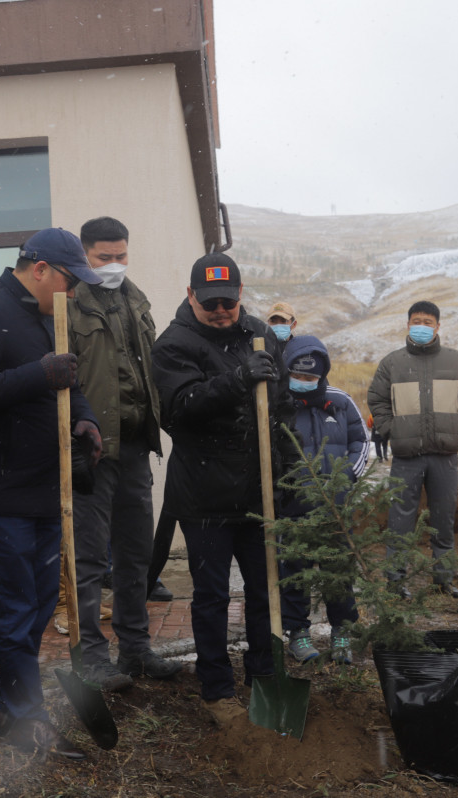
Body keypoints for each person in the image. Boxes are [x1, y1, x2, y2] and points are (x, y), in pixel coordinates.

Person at [0, 227, 103, 761]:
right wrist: (37, 374)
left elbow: (67, 382)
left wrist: (83, 418)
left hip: (40, 490)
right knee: (13, 608)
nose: (74, 292)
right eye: (69, 281)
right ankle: (28, 719)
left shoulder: (45, 319)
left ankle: (12, 709)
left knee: (34, 607)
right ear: (39, 270)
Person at [151, 252, 296, 727]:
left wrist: (287, 468)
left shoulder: (258, 334)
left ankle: (263, 678)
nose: (220, 311)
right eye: (210, 302)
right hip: (204, 496)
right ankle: (216, 688)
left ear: (240, 295)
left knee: (263, 590)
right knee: (212, 596)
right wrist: (236, 379)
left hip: (258, 494)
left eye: (228, 302)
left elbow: (282, 406)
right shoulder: (174, 344)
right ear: (191, 295)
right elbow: (179, 410)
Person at [65, 216, 179, 690]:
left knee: (136, 557)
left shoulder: (137, 300)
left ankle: (135, 650)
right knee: (89, 561)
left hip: (135, 448)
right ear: (84, 255)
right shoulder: (68, 306)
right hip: (91, 452)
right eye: (104, 257)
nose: (114, 265)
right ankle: (90, 658)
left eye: (121, 256)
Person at [367, 300, 458, 600]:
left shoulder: (457, 362)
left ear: (438, 326)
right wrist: (392, 429)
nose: (421, 326)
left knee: (443, 519)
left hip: (445, 456)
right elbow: (377, 400)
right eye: (416, 321)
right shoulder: (392, 363)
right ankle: (396, 582)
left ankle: (443, 579)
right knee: (400, 521)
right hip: (406, 455)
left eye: (427, 321)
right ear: (408, 324)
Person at [278, 336, 368, 665]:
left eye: (311, 378)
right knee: (294, 570)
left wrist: (348, 478)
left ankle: (342, 632)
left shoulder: (340, 401)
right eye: (298, 376)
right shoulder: (277, 403)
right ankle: (297, 634)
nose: (304, 383)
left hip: (335, 509)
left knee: (338, 572)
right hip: (293, 507)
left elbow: (361, 440)